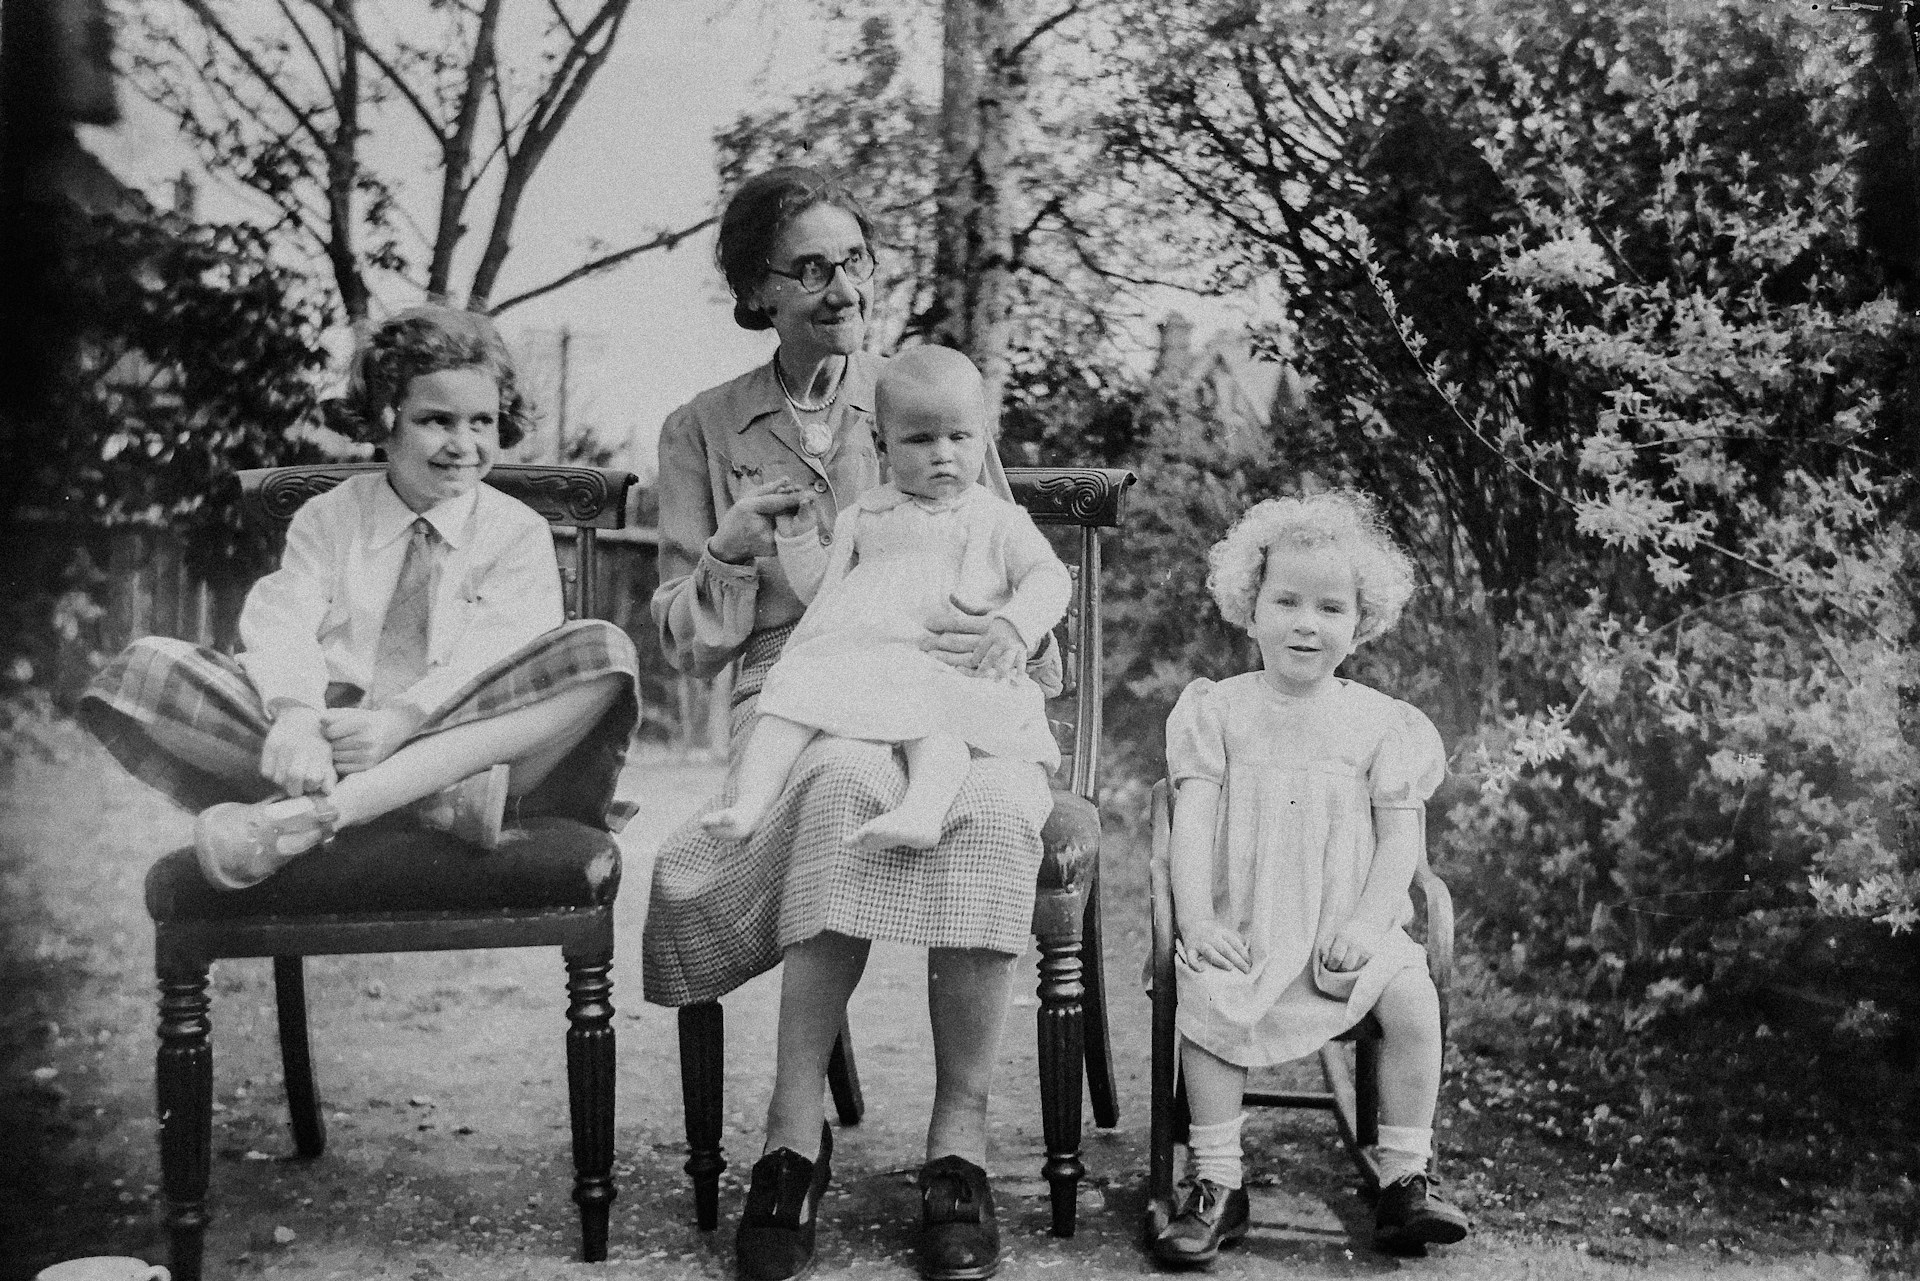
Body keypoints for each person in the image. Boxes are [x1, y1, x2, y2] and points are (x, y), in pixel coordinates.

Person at [643, 165, 1061, 1281]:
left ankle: (957, 1150)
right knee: (838, 789)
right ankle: (791, 1141)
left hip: (944, 677)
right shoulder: (703, 429)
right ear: (757, 291)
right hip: (797, 681)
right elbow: (686, 641)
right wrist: (732, 547)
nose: (841, 289)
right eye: (810, 269)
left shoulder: (930, 395)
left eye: (856, 264)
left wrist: (1008, 640)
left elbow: (1014, 565)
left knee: (998, 803)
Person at [79, 305, 640, 890]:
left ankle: (322, 815)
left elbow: (496, 658)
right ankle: (427, 803)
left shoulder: (514, 532)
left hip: (460, 738)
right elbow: (283, 619)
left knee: (602, 651)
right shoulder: (330, 518)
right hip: (332, 739)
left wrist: (401, 722)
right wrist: (295, 717)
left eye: (482, 422)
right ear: (384, 420)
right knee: (145, 669)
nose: (463, 443)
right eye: (437, 421)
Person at [1151, 489, 1470, 1267]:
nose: (1306, 622)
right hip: (1248, 923)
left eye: (1330, 607)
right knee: (1210, 991)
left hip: (1344, 927)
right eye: (1285, 600)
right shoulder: (1218, 710)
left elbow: (1402, 841)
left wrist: (1365, 924)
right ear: (1248, 607)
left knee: (1413, 994)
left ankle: (1405, 1175)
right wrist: (1198, 923)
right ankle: (1219, 1180)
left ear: (1360, 621)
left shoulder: (1380, 721)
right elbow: (1189, 827)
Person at [701, 345, 1070, 851]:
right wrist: (799, 538)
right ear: (881, 445)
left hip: (943, 662)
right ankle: (750, 803)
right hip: (866, 660)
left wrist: (1013, 624)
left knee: (939, 728)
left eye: (959, 437)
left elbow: (1049, 578)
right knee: (787, 698)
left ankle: (923, 810)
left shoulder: (996, 519)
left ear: (983, 438)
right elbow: (823, 594)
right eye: (920, 440)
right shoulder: (865, 515)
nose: (943, 453)